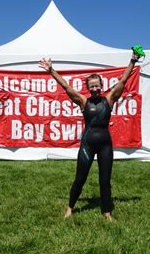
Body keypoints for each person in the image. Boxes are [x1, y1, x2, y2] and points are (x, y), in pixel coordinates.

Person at [39, 52, 140, 221]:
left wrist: (132, 61)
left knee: (105, 180)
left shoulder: (109, 100)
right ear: (88, 88)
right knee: (80, 178)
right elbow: (66, 86)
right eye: (91, 86)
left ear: (101, 86)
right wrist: (51, 71)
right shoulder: (83, 101)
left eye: (97, 86)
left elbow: (123, 81)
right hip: (87, 145)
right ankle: (70, 208)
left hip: (105, 145)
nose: (94, 89)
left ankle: (107, 213)